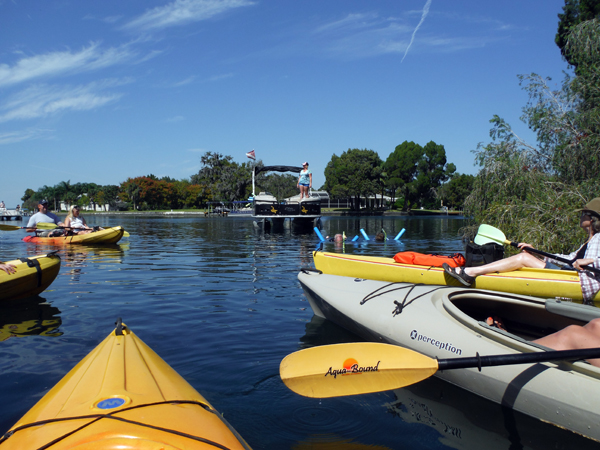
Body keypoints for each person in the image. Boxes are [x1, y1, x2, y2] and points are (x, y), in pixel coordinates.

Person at [443, 198, 600, 304]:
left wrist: (592, 261)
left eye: (583, 214)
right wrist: (537, 252)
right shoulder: (590, 241)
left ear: (591, 218)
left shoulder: (599, 238)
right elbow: (569, 259)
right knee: (527, 255)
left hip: (580, 284)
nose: (580, 217)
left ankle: (470, 273)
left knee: (523, 258)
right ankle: (473, 272)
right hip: (570, 274)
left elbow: (589, 263)